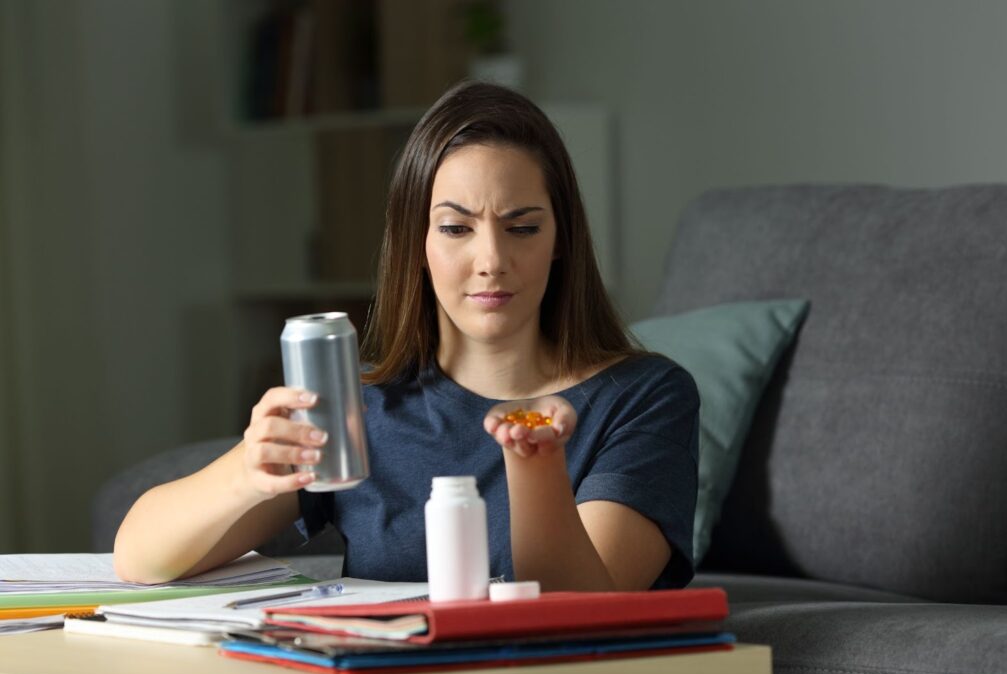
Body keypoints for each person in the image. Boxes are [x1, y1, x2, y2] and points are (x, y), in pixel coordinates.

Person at [114, 81, 699, 591]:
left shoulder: (644, 397)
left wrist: (536, 459)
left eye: (522, 227)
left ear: (560, 239)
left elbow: (583, 608)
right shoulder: (363, 410)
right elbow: (139, 556)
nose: (491, 259)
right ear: (417, 246)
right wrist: (248, 470)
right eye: (455, 228)